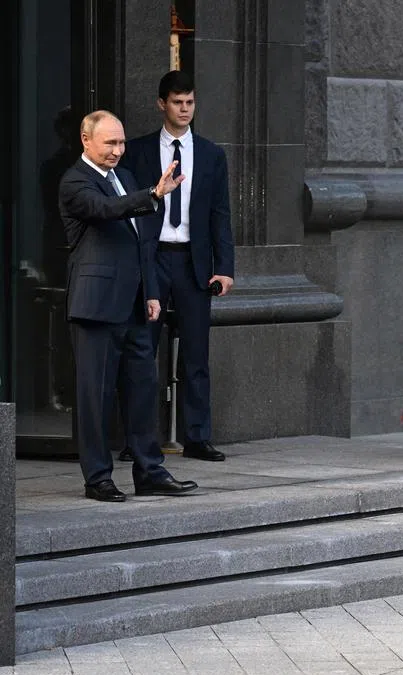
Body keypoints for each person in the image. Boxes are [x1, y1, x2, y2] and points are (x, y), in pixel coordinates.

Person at [58, 109, 198, 502]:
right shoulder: (75, 181)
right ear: (87, 141)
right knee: (95, 395)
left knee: (142, 390)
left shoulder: (125, 179)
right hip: (97, 306)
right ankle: (98, 478)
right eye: (110, 143)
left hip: (136, 304)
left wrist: (152, 292)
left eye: (121, 143)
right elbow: (105, 212)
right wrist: (152, 195)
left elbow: (142, 242)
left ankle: (149, 470)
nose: (118, 150)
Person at [119, 69, 235, 462]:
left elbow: (221, 214)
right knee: (140, 350)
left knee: (196, 354)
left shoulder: (211, 154)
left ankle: (197, 437)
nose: (185, 109)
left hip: (192, 262)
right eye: (177, 102)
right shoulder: (138, 152)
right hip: (151, 259)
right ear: (161, 104)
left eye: (190, 102)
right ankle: (137, 440)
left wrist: (225, 267)